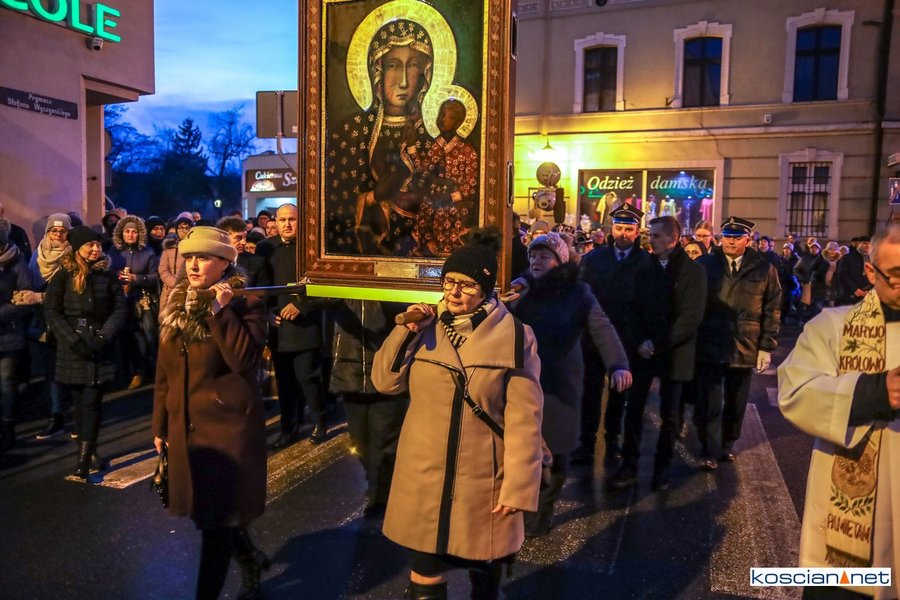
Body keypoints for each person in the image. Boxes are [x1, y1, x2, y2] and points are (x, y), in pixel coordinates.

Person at [372, 229, 543, 600]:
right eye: (449, 281)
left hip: (483, 484)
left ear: (486, 289)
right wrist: (406, 332)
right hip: (424, 478)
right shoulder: (425, 325)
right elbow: (385, 382)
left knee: (484, 576)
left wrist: (518, 485)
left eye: (466, 285)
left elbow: (524, 419)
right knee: (424, 578)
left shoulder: (515, 336)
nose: (453, 292)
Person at [778, 224, 900, 599]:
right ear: (871, 272)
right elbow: (795, 391)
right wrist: (876, 392)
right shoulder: (833, 327)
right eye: (896, 275)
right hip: (857, 525)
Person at [152, 226, 269, 600]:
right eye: (188, 257)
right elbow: (164, 371)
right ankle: (250, 558)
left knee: (216, 523)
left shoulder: (247, 304)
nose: (192, 265)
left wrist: (221, 312)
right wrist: (160, 424)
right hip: (185, 427)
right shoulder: (176, 303)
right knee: (211, 515)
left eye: (203, 258)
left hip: (227, 430)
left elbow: (244, 360)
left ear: (224, 263)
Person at [507, 232, 630, 535]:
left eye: (544, 256)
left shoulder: (578, 292)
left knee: (555, 449)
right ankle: (518, 506)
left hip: (560, 382)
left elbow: (601, 327)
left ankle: (541, 512)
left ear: (560, 261)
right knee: (520, 445)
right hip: (523, 380)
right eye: (533, 255)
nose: (536, 260)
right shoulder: (519, 289)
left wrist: (617, 364)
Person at [606, 216, 707, 491]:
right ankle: (630, 465)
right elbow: (631, 308)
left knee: (670, 413)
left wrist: (658, 343)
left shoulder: (693, 272)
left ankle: (662, 469)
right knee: (634, 408)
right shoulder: (643, 268)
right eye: (650, 235)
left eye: (657, 236)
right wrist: (640, 341)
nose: (651, 240)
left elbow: (691, 316)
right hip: (643, 351)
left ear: (673, 239)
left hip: (675, 351)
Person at [326, 19, 436, 256]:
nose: (403, 81)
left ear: (425, 74)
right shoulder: (353, 130)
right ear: (378, 71)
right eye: (393, 65)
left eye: (413, 66)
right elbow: (339, 199)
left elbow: (435, 194)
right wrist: (372, 198)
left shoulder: (430, 135)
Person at [694, 217, 781, 469]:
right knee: (709, 399)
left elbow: (772, 308)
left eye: (737, 237)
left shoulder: (764, 268)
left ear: (748, 240)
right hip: (710, 341)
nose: (731, 241)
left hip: (745, 342)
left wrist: (766, 346)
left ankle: (727, 442)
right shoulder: (705, 265)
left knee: (736, 399)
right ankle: (708, 449)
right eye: (727, 237)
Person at [43, 226, 126, 478]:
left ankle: (83, 460)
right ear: (78, 248)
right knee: (79, 401)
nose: (95, 249)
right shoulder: (63, 276)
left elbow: (119, 309)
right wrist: (72, 341)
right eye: (90, 245)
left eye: (98, 245)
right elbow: (53, 311)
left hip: (99, 346)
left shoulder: (107, 276)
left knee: (91, 401)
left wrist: (103, 337)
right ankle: (89, 449)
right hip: (73, 347)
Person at [574, 205, 649, 465]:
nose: (623, 234)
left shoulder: (645, 262)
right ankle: (586, 441)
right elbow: (580, 294)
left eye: (629, 229)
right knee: (590, 391)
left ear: (637, 232)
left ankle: (613, 438)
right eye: (619, 228)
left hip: (627, 338)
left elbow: (650, 304)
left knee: (620, 392)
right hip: (594, 338)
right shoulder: (594, 259)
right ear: (611, 229)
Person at [329, 300, 408, 519]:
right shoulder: (343, 287)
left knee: (385, 440)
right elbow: (316, 296)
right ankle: (374, 481)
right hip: (350, 373)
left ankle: (381, 496)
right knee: (359, 440)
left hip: (387, 372)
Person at [266, 204, 329, 448]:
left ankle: (319, 423)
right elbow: (262, 286)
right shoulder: (266, 248)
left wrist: (302, 306)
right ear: (275, 222)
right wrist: (267, 313)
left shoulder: (312, 249)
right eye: (282, 220)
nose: (287, 224)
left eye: (292, 219)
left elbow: (325, 287)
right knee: (285, 384)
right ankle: (288, 428)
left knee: (309, 379)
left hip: (306, 328)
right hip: (278, 329)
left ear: (300, 221)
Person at [20, 214, 72, 440]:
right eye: (54, 230)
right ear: (47, 232)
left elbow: (71, 292)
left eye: (62, 231)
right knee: (50, 370)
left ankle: (75, 414)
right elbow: (30, 281)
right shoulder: (38, 253)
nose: (58, 234)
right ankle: (56, 415)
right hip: (42, 321)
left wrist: (39, 297)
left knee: (69, 368)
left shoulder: (72, 255)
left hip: (65, 320)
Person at [413, 98, 479, 256]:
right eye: (441, 114)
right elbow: (423, 171)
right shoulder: (435, 147)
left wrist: (450, 197)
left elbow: (470, 184)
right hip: (433, 201)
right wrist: (411, 148)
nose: (442, 119)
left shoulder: (467, 150)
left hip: (455, 206)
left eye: (448, 116)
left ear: (458, 122)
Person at [108, 215, 160, 390]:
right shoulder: (114, 251)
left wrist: (136, 278)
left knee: (147, 336)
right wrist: (117, 276)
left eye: (134, 232)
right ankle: (131, 371)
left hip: (142, 301)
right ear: (121, 233)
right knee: (125, 336)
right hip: (120, 300)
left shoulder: (148, 252)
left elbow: (155, 276)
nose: (130, 235)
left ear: (139, 234)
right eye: (127, 231)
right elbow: (107, 271)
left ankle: (148, 370)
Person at [0, 218, 35, 453]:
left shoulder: (16, 263)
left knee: (6, 382)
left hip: (8, 334)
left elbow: (26, 299)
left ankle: (8, 427)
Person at [217, 216, 269, 288]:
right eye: (238, 238)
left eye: (245, 237)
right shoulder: (211, 261)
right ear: (223, 237)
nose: (244, 242)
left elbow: (263, 292)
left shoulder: (257, 263)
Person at [158, 213, 194, 311]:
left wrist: (185, 285)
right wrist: (175, 283)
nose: (184, 231)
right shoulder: (169, 247)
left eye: (187, 228)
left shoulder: (195, 247)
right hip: (169, 290)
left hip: (189, 290)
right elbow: (163, 269)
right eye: (181, 228)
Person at [835, 235, 873, 306]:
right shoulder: (848, 257)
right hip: (850, 295)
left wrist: (871, 290)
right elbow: (842, 275)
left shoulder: (873, 258)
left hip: (867, 295)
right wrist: (854, 289)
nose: (867, 246)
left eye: (869, 244)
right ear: (858, 244)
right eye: (865, 243)